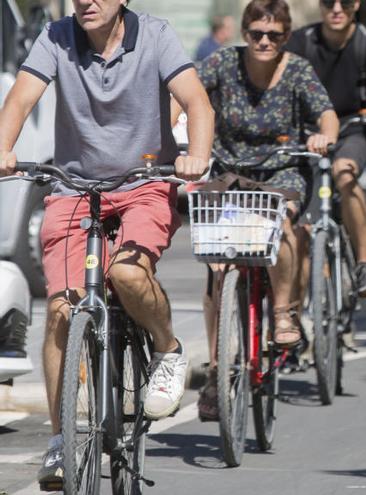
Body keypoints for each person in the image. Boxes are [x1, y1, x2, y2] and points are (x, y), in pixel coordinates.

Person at [0, 0, 214, 487]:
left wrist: (196, 154)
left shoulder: (156, 35)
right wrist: (4, 145)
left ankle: (167, 347)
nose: (86, 1)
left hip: (145, 183)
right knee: (60, 309)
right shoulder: (56, 36)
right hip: (73, 188)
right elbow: (20, 99)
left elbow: (197, 101)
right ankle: (60, 442)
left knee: (127, 272)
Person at [182, 0, 339, 421]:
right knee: (217, 270)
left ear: (286, 36)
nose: (264, 41)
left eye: (273, 34)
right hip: (230, 173)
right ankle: (217, 372)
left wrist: (324, 137)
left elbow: (326, 115)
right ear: (244, 33)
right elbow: (186, 93)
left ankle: (284, 314)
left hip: (282, 172)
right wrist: (176, 132)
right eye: (256, 33)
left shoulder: (298, 70)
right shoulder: (222, 63)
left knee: (283, 222)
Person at [285, 0, 366, 297]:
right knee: (302, 219)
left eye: (346, 2)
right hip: (309, 134)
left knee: (345, 172)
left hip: (352, 128)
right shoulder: (301, 40)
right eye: (329, 2)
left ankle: (364, 264)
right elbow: (283, 79)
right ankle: (297, 318)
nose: (337, 9)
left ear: (358, 4)